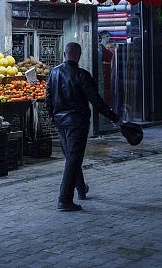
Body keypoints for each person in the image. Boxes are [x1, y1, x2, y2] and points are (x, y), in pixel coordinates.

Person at [46, 42, 123, 212]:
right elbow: (97, 101)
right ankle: (64, 200)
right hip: (77, 123)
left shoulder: (54, 72)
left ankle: (81, 189)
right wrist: (115, 118)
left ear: (64, 54)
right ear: (79, 56)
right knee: (74, 158)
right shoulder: (82, 75)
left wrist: (54, 117)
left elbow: (48, 99)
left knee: (72, 158)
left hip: (61, 123)